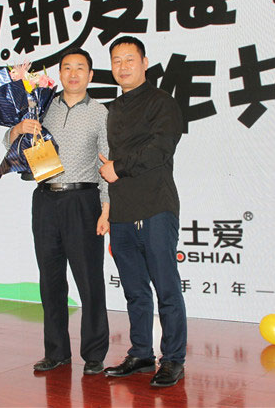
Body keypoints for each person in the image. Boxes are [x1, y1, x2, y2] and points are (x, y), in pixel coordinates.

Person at [5, 48, 110, 375]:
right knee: (50, 280)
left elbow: (107, 163)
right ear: (59, 73)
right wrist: (19, 128)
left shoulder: (101, 113)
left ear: (90, 75)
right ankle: (56, 352)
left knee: (89, 280)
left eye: (80, 68)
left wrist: (106, 209)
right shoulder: (43, 105)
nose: (73, 73)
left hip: (83, 200)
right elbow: (9, 141)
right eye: (67, 67)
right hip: (46, 200)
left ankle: (94, 354)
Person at [99, 36, 187, 388]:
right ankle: (140, 353)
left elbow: (161, 148)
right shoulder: (110, 111)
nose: (122, 66)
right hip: (121, 211)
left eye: (129, 59)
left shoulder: (162, 102)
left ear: (145, 63)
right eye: (116, 60)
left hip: (155, 207)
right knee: (135, 290)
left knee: (166, 287)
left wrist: (119, 167)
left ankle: (174, 358)